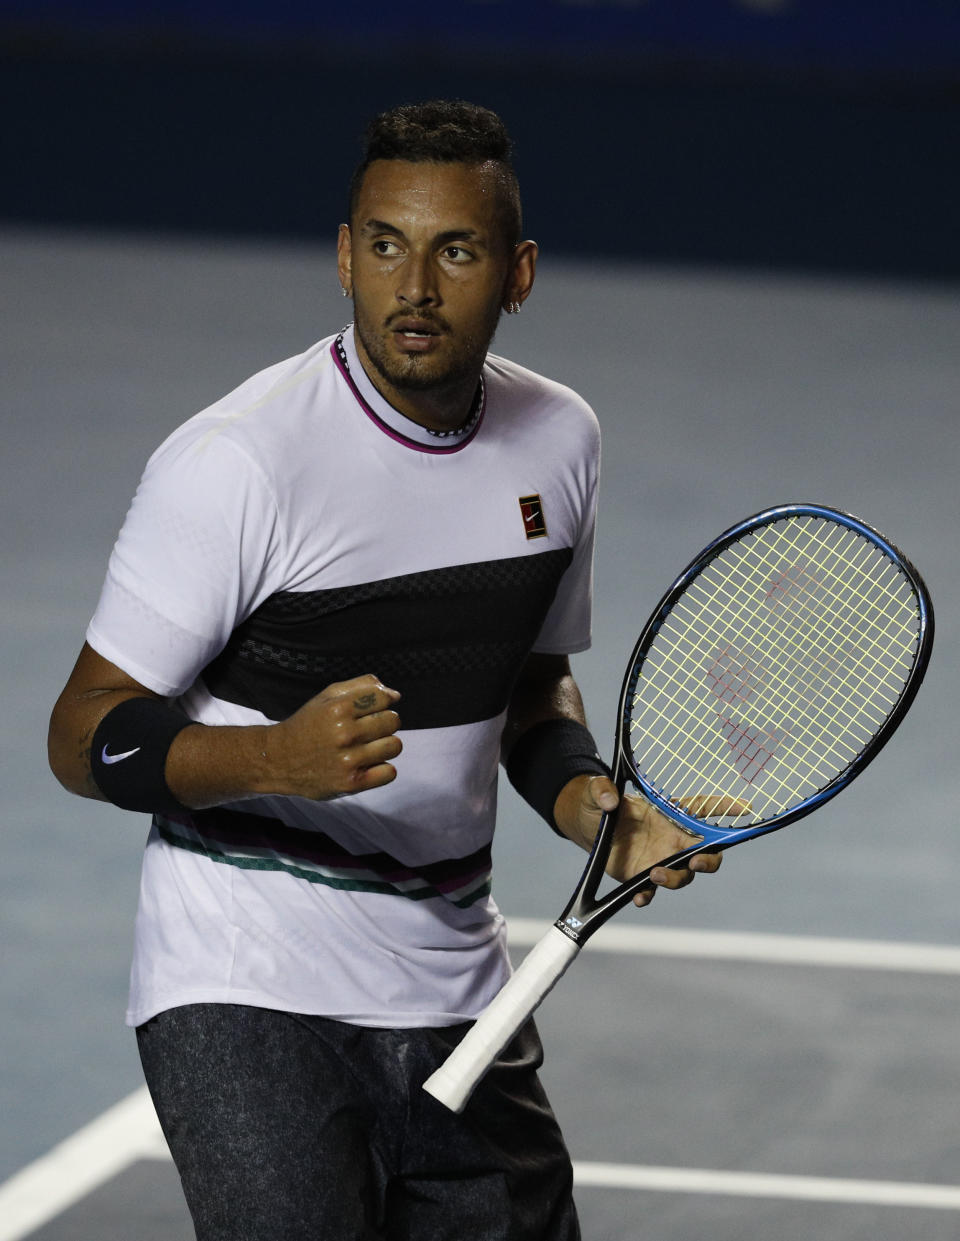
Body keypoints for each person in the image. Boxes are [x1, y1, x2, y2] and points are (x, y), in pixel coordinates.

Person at [48, 99, 721, 1241]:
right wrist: (274, 757)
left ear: (519, 274)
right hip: (244, 977)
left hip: (458, 978)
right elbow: (85, 735)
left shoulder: (562, 441)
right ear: (344, 254)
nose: (413, 286)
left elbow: (529, 680)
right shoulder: (239, 463)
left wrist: (588, 804)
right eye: (384, 244)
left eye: (455, 250)